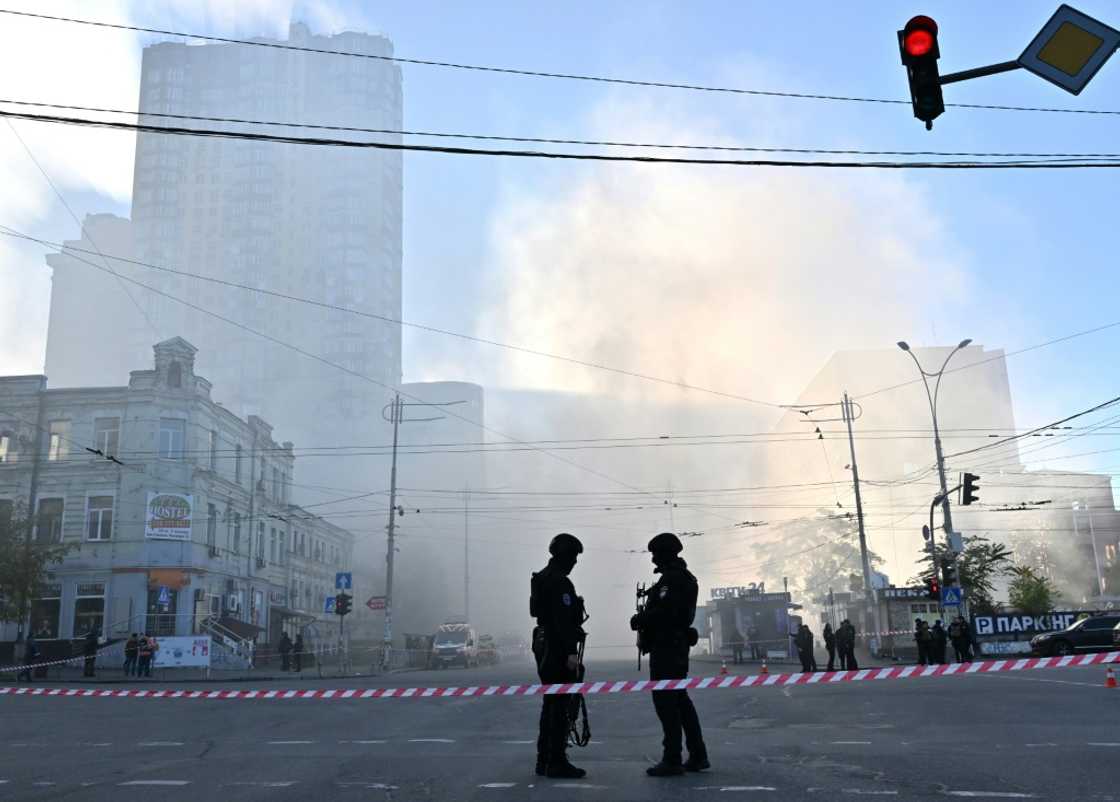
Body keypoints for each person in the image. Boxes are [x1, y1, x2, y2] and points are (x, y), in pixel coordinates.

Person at [630, 532, 709, 777]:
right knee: (680, 702)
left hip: (667, 647)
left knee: (666, 703)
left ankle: (672, 758)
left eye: (655, 554)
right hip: (674, 646)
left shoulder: (673, 579)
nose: (653, 559)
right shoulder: (681, 577)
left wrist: (640, 619)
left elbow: (667, 613)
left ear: (665, 554)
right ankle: (697, 755)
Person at [531, 532, 588, 779]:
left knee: (550, 704)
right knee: (561, 706)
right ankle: (557, 761)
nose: (575, 562)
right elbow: (563, 621)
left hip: (543, 644)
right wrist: (571, 652)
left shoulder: (541, 578)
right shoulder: (560, 582)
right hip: (557, 649)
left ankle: (544, 759)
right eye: (573, 557)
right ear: (565, 556)